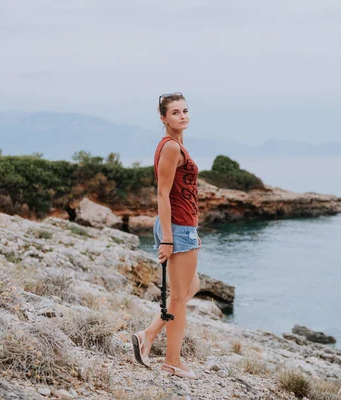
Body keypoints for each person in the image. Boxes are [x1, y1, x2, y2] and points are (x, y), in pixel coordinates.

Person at [132, 92, 201, 379]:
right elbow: (162, 193)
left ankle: (147, 335)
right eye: (175, 112)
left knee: (190, 288)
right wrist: (169, 239)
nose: (182, 115)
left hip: (184, 227)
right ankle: (172, 361)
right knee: (179, 299)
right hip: (179, 228)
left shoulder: (176, 145)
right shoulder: (171, 147)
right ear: (163, 118)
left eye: (185, 110)